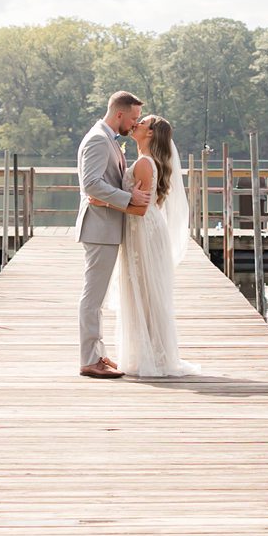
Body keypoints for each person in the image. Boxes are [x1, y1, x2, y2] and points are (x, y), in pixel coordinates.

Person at [106, 113, 199, 378]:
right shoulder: (146, 161)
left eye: (142, 122)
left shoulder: (146, 163)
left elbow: (139, 209)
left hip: (144, 231)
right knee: (143, 292)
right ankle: (144, 352)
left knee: (146, 292)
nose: (136, 124)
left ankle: (154, 355)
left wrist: (105, 201)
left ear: (149, 133)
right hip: (143, 230)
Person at [73, 91, 146, 378]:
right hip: (99, 227)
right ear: (119, 114)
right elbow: (90, 184)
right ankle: (89, 359)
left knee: (98, 297)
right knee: (93, 297)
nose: (134, 123)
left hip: (105, 227)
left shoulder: (107, 139)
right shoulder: (97, 139)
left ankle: (98, 354)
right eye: (133, 118)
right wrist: (129, 199)